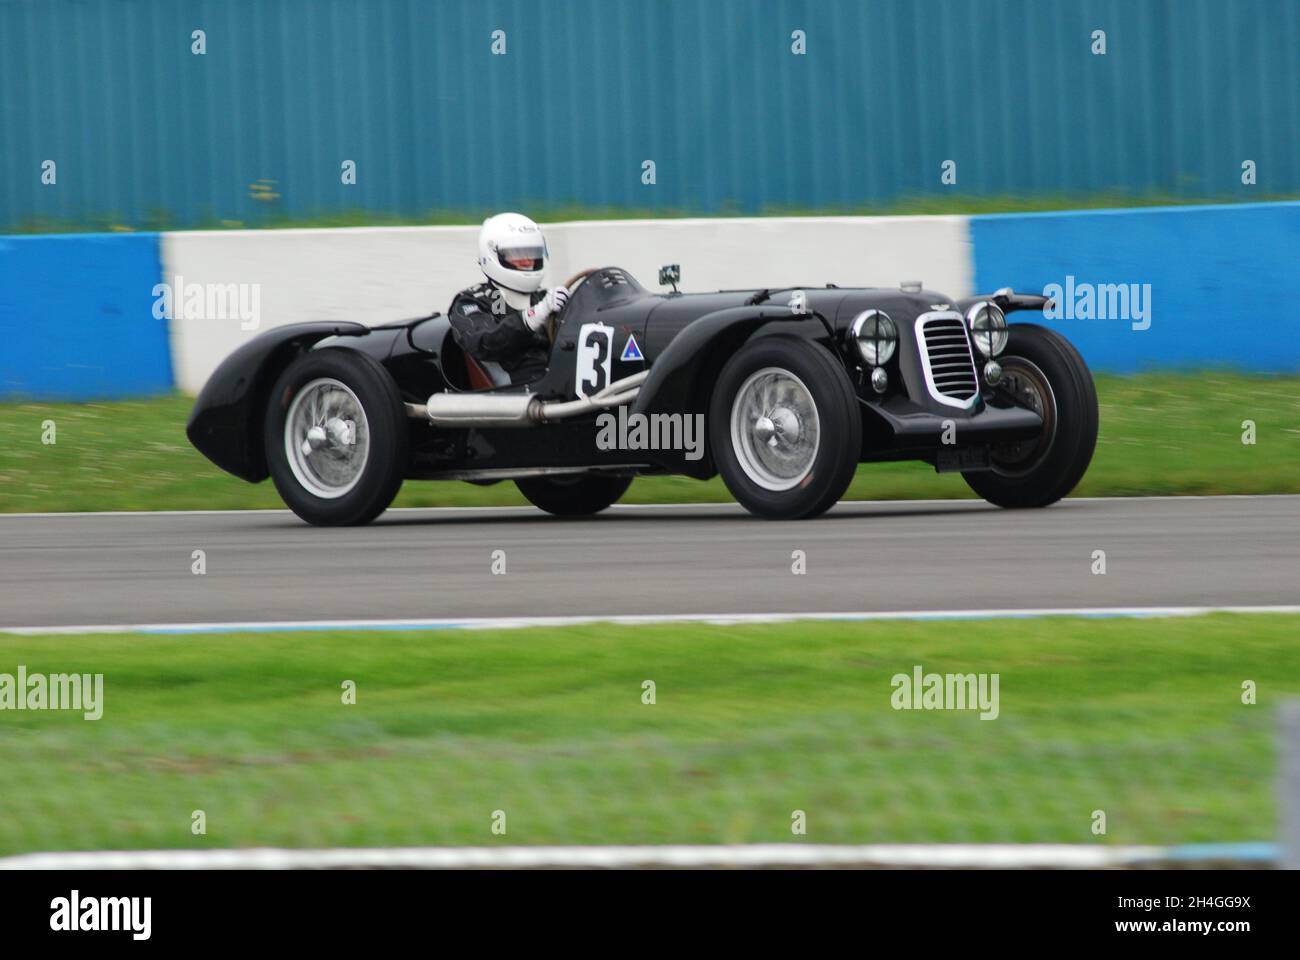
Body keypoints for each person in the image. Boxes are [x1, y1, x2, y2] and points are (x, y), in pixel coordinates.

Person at [447, 212, 569, 385]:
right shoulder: (476, 301)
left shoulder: (543, 297)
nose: (528, 261)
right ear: (493, 255)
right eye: (517, 254)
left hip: (562, 373)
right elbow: (485, 343)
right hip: (522, 386)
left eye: (532, 253)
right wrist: (532, 317)